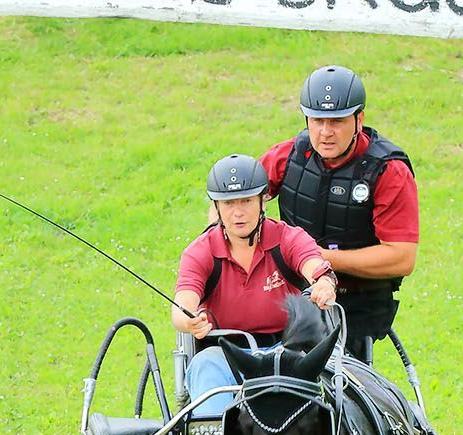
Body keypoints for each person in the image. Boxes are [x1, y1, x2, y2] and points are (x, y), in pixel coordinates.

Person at [258, 65, 419, 364]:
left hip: (354, 305)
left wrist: (317, 259)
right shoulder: (289, 155)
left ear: (360, 119)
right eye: (317, 121)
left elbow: (402, 257)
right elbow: (231, 204)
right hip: (290, 296)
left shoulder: (389, 171)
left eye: (337, 121)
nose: (325, 132)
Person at [173, 154, 338, 415]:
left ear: (263, 200)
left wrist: (322, 283)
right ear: (216, 207)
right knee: (205, 366)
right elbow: (184, 302)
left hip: (291, 348)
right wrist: (189, 320)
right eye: (228, 204)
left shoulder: (287, 237)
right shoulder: (200, 251)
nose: (238, 212)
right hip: (227, 353)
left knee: (335, 375)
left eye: (247, 201)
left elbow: (313, 263)